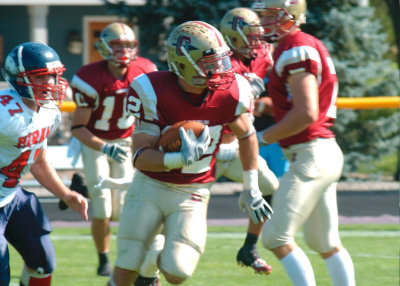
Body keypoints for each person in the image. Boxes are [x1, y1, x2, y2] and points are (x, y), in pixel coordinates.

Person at [106, 21, 273, 286]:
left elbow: (247, 134)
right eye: (210, 62)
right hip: (150, 185)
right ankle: (143, 263)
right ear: (184, 63)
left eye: (220, 60)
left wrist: (251, 186)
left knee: (178, 273)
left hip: (193, 191)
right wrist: (178, 158)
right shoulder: (151, 89)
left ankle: (153, 261)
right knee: (126, 268)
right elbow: (139, 155)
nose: (220, 68)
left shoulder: (231, 90)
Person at [252, 0, 356, 285]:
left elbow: (307, 112)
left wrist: (260, 138)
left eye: (268, 15)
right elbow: (300, 104)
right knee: (324, 241)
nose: (262, 22)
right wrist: (266, 107)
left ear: (290, 15)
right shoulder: (297, 44)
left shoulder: (296, 48)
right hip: (320, 152)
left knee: (275, 236)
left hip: (311, 153)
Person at [69, 22, 157, 276]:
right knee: (103, 208)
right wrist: (104, 147)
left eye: (128, 46)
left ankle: (82, 187)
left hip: (127, 141)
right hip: (95, 142)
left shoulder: (145, 71)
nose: (123, 52)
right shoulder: (90, 76)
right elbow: (78, 128)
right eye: (117, 46)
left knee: (124, 207)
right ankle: (103, 259)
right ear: (105, 47)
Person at [0, 42, 88, 286]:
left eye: (52, 75)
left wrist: (66, 194)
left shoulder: (49, 110)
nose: (49, 83)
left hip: (12, 196)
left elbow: (37, 160)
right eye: (40, 77)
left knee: (42, 263)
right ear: (18, 78)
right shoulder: (4, 112)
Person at [219, 7, 279, 275]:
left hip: (237, 144)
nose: (258, 42)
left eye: (258, 35)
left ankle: (249, 248)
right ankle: (151, 263)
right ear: (232, 38)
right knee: (179, 206)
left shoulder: (264, 53)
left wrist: (271, 103)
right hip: (207, 147)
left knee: (269, 186)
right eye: (250, 36)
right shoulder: (218, 62)